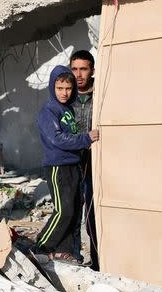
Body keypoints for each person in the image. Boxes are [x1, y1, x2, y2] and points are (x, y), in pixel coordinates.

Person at [35, 65, 99, 263]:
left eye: (68, 88)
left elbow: (70, 135)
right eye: (60, 88)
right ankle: (41, 246)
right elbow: (58, 139)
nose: (64, 93)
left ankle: (66, 251)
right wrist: (85, 139)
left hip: (73, 166)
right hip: (58, 167)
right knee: (63, 210)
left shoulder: (67, 110)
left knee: (73, 213)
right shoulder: (49, 110)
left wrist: (82, 147)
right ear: (52, 88)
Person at [70, 50, 99, 270]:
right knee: (70, 214)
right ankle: (74, 260)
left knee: (92, 216)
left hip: (95, 162)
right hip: (70, 162)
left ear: (92, 71)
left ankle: (98, 263)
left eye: (83, 69)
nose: (78, 74)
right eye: (74, 69)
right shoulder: (65, 96)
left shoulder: (100, 95)